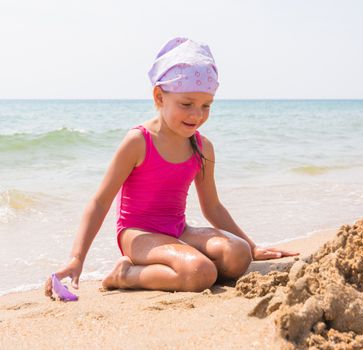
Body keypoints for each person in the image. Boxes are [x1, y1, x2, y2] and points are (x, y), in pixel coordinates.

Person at [45, 37, 299, 297]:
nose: (196, 115)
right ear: (159, 96)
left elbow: (212, 206)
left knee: (238, 254)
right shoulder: (138, 142)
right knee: (201, 272)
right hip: (138, 235)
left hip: (178, 230)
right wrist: (77, 258)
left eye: (206, 106)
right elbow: (100, 202)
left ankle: (184, 262)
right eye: (186, 104)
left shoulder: (202, 148)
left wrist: (253, 247)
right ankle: (125, 274)